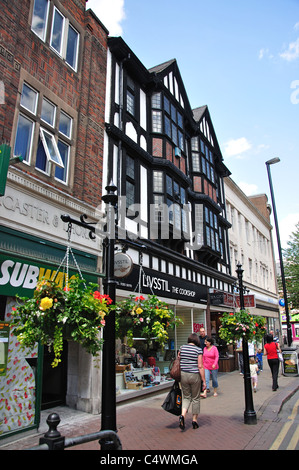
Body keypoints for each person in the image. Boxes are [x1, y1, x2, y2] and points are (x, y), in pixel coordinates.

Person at [178, 333, 206, 430]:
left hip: (183, 374)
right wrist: (204, 380)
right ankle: (194, 420)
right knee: (195, 398)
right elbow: (200, 366)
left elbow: (179, 359)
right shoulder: (198, 350)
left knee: (186, 397)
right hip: (194, 375)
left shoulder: (182, 348)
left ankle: (183, 415)